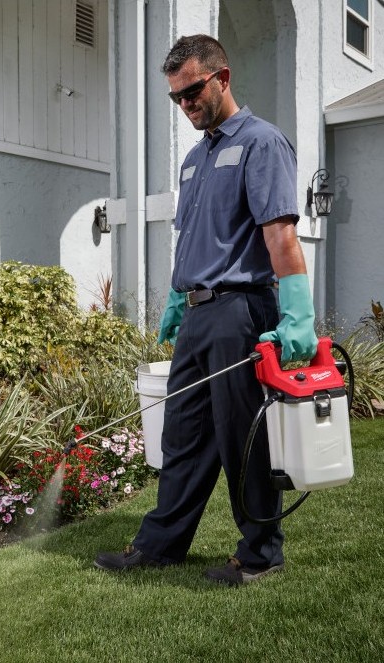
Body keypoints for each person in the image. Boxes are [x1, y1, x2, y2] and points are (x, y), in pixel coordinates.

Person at [94, 34, 318, 586]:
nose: (185, 104)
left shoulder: (262, 143)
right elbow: (191, 236)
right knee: (184, 437)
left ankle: (261, 552)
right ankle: (159, 547)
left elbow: (281, 237)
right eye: (176, 97)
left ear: (222, 77)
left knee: (242, 435)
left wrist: (297, 314)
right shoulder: (195, 159)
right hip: (198, 313)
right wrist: (177, 296)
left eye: (192, 90)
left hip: (241, 311)